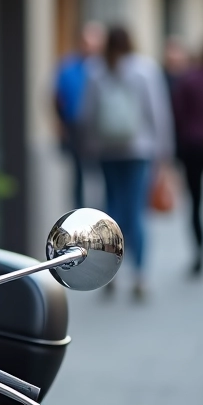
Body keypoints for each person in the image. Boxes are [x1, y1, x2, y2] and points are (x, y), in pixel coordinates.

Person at [80, 25, 175, 298]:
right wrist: (164, 152)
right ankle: (140, 275)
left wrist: (89, 147)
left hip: (107, 150)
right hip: (138, 150)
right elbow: (158, 112)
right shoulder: (144, 69)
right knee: (136, 212)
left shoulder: (96, 70)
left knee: (110, 211)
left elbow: (87, 114)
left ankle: (108, 273)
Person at [54, 21, 105, 208]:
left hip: (101, 129)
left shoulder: (105, 67)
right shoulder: (68, 67)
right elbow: (57, 97)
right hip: (75, 127)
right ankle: (79, 212)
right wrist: (60, 124)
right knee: (78, 175)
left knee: (102, 175)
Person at [172, 41, 203, 275]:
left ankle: (198, 251)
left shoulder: (188, 79)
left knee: (195, 202)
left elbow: (177, 115)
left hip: (193, 146)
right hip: (195, 144)